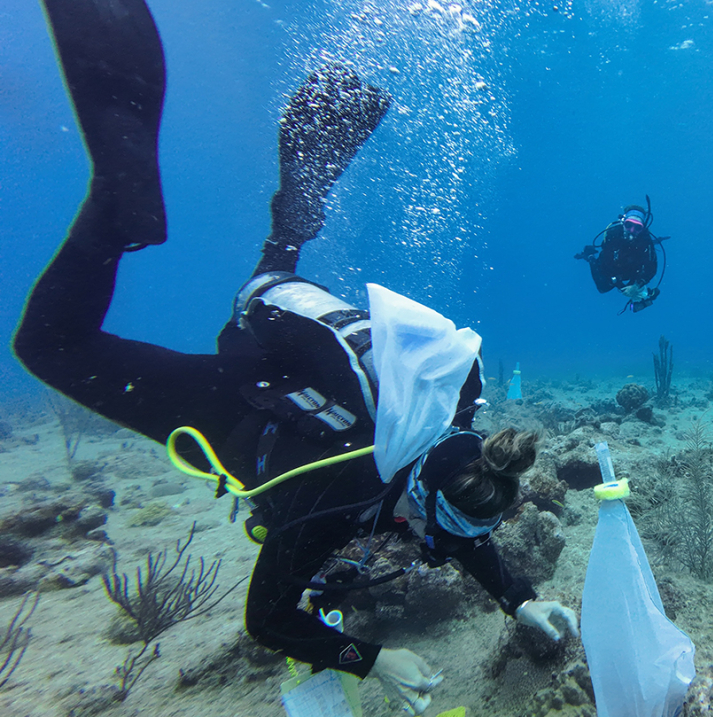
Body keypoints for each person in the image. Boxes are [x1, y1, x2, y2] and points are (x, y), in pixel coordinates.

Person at [14, 2, 578, 715]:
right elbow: (268, 619)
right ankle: (115, 205)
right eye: (441, 530)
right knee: (50, 346)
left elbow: (457, 523)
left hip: (288, 351)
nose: (442, 547)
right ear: (420, 497)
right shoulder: (333, 498)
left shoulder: (451, 422)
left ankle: (274, 231)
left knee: (274, 272)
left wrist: (519, 599)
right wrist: (369, 659)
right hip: (230, 401)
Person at [574, 199, 668, 312]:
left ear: (642, 228)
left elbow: (651, 267)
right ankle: (590, 257)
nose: (632, 230)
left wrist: (638, 284)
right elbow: (606, 264)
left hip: (632, 269)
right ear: (623, 223)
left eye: (637, 227)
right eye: (629, 225)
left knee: (638, 289)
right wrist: (619, 285)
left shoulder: (645, 241)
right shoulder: (613, 234)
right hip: (613, 267)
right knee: (603, 287)